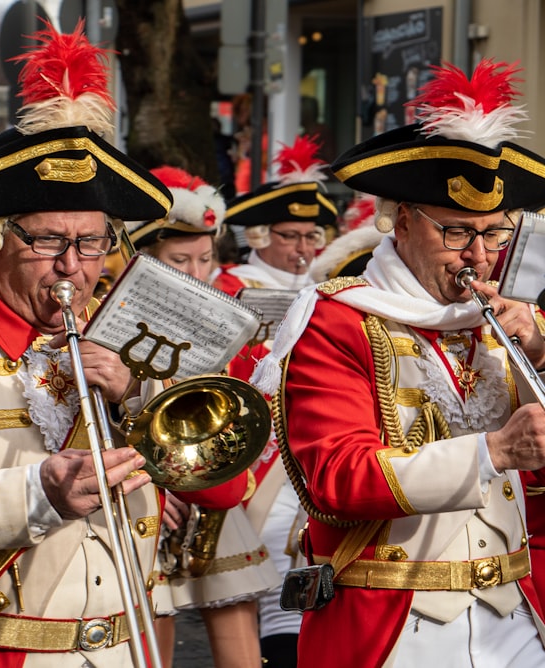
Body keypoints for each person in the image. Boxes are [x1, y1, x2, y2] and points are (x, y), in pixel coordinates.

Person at [0, 23, 248, 666]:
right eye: (48, 242)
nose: (73, 268)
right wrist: (35, 494)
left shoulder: (134, 339)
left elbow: (224, 493)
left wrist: (142, 398)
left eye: (91, 243)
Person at [250, 59, 545, 666]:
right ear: (402, 219)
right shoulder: (337, 318)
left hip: (516, 617)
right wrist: (495, 452)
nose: (481, 256)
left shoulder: (513, 321)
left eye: (495, 234)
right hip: (396, 626)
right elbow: (336, 479)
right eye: (458, 233)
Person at [127, 166, 280, 668]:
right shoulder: (112, 318)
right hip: (146, 497)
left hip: (212, 487)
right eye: (179, 260)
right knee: (155, 619)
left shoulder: (224, 321)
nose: (196, 274)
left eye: (205, 259)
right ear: (140, 259)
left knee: (238, 623)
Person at [210, 135, 337, 667]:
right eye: (290, 235)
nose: (304, 248)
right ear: (259, 233)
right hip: (259, 455)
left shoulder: (334, 284)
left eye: (312, 235)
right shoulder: (231, 284)